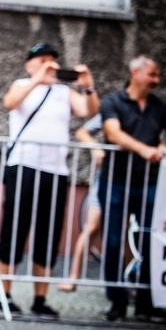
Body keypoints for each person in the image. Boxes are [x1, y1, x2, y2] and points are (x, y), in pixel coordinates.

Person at [0, 43, 99, 319]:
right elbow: (9, 103)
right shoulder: (22, 84)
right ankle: (3, 293)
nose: (48, 65)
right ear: (29, 64)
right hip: (24, 166)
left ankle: (41, 298)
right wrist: (40, 78)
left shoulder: (64, 92)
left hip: (56, 171)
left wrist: (88, 85)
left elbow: (88, 110)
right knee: (14, 229)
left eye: (53, 61)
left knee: (48, 232)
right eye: (42, 60)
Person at [100, 55, 166, 324]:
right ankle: (117, 301)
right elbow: (113, 134)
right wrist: (145, 149)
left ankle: (146, 302)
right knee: (112, 241)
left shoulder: (159, 106)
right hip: (116, 180)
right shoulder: (113, 102)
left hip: (150, 183)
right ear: (135, 73)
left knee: (151, 241)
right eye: (152, 75)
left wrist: (165, 147)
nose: (156, 80)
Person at [59, 114, 104, 292]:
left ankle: (129, 278)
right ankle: (73, 277)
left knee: (128, 233)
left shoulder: (156, 108)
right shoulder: (114, 105)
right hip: (110, 178)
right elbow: (83, 132)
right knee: (92, 227)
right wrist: (95, 148)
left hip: (143, 178)